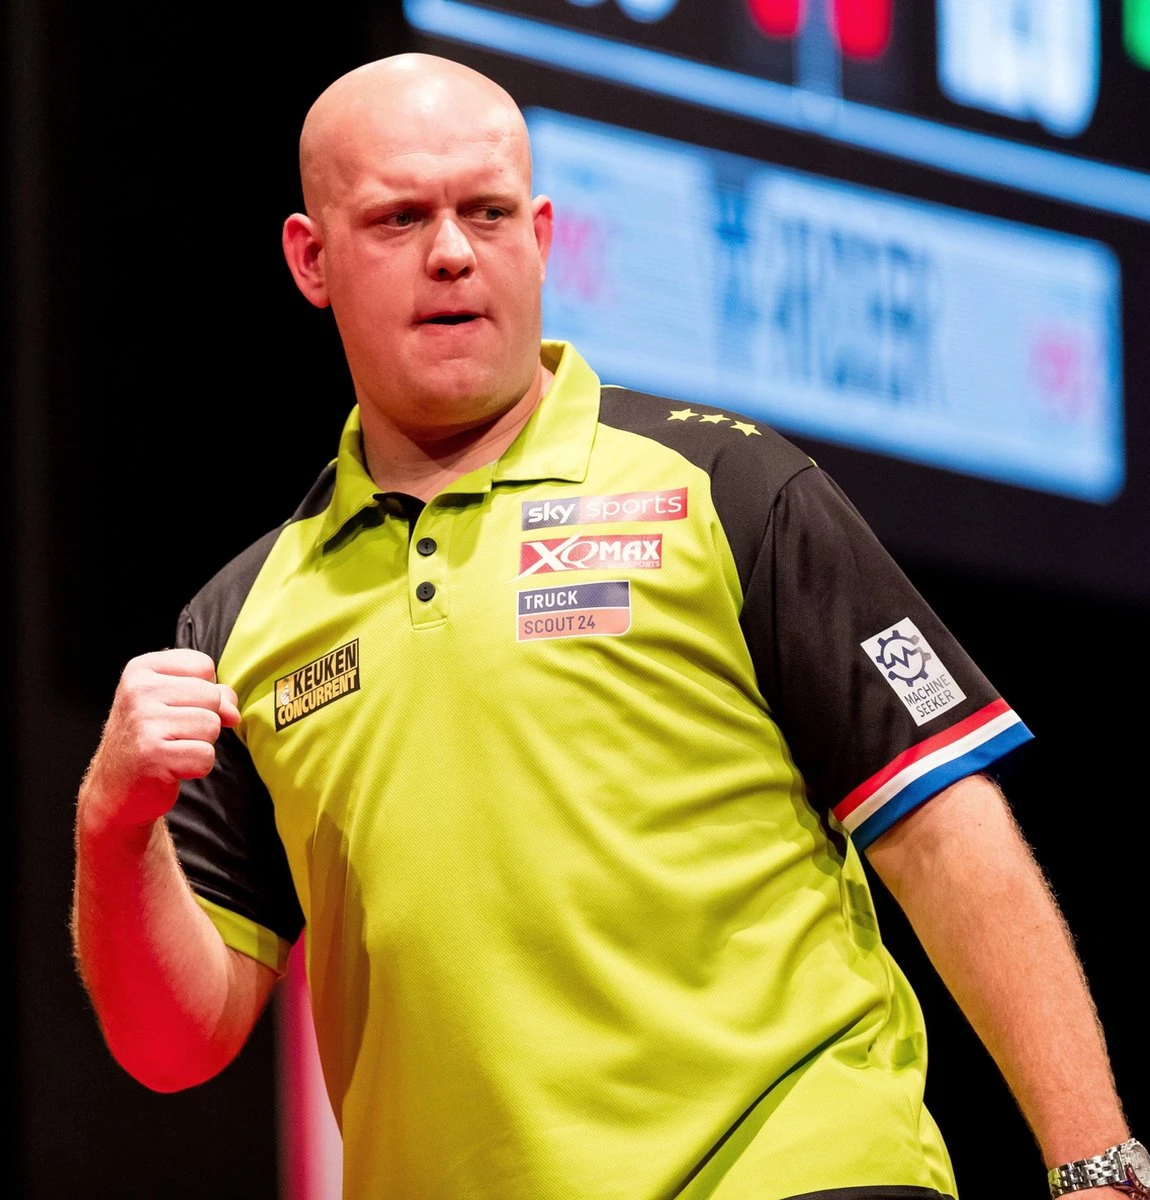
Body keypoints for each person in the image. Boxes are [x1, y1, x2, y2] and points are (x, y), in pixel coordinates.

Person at [70, 51, 1141, 1200]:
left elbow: (942, 833)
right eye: (398, 218)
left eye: (487, 212)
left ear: (540, 236)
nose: (451, 251)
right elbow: (174, 1046)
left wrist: (1096, 1166)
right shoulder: (243, 619)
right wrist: (109, 824)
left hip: (801, 1168)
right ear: (309, 258)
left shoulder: (728, 487)